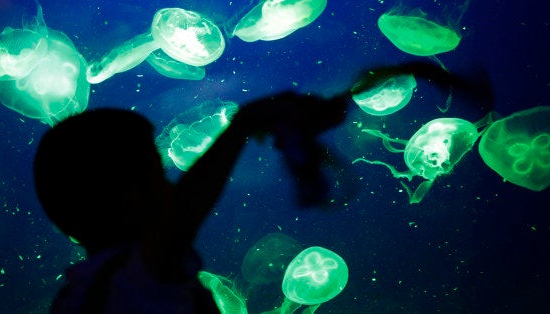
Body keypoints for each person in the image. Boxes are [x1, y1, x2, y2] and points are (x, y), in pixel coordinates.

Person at [33, 61, 491, 313]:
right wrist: (243, 126)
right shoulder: (124, 279)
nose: (171, 185)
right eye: (155, 174)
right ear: (123, 197)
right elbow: (178, 220)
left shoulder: (79, 294)